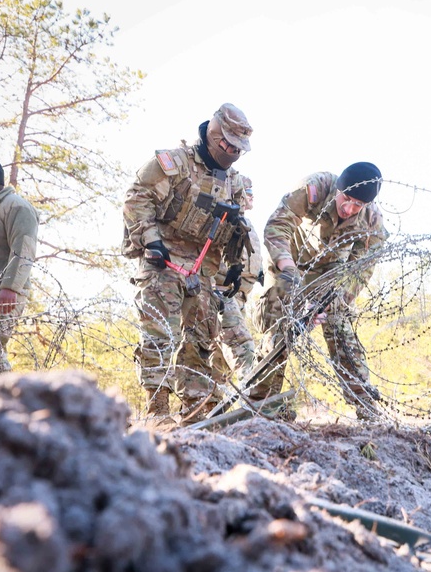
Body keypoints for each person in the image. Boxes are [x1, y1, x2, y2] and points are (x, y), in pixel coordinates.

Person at [123, 103, 253, 422]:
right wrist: (151, 239)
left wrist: (236, 265)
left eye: (238, 149)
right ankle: (158, 411)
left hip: (203, 268)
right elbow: (136, 198)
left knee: (200, 340)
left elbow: (238, 230)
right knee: (160, 334)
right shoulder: (174, 163)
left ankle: (196, 409)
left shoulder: (235, 182)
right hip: (163, 260)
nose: (233, 152)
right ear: (214, 136)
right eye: (229, 145)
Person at [248, 162, 388, 419]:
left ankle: (366, 406)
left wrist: (337, 297)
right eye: (346, 199)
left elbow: (363, 264)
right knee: (279, 327)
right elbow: (277, 226)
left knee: (341, 329)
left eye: (357, 205)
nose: (349, 209)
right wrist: (289, 271)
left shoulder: (372, 220)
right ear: (338, 189)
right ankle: (261, 406)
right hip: (289, 261)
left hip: (331, 272)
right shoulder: (315, 187)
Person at [212, 175, 262, 385]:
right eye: (247, 193)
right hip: (224, 293)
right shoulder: (225, 220)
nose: (251, 197)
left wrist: (258, 273)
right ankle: (254, 395)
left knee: (218, 358)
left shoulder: (245, 223)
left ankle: (209, 405)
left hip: (241, 295)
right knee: (241, 345)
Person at [0, 159, 39, 373]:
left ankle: (6, 400)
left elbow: (24, 247)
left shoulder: (15, 206)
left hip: (4, 293)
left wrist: (10, 287)